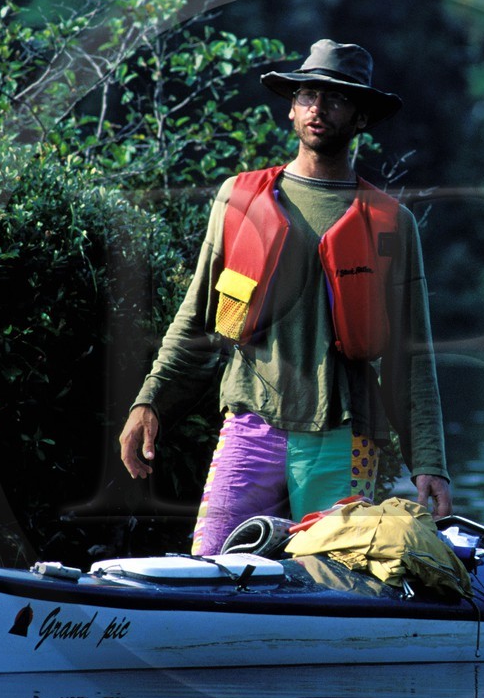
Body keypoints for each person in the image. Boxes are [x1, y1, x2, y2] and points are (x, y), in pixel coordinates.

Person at [118, 39, 454, 555]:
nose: (318, 109)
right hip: (250, 426)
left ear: (361, 117)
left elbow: (412, 358)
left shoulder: (392, 224)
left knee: (334, 582)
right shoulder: (240, 199)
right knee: (210, 564)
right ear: (292, 109)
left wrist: (429, 461)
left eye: (336, 99)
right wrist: (151, 401)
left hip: (346, 439)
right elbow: (196, 321)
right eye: (306, 95)